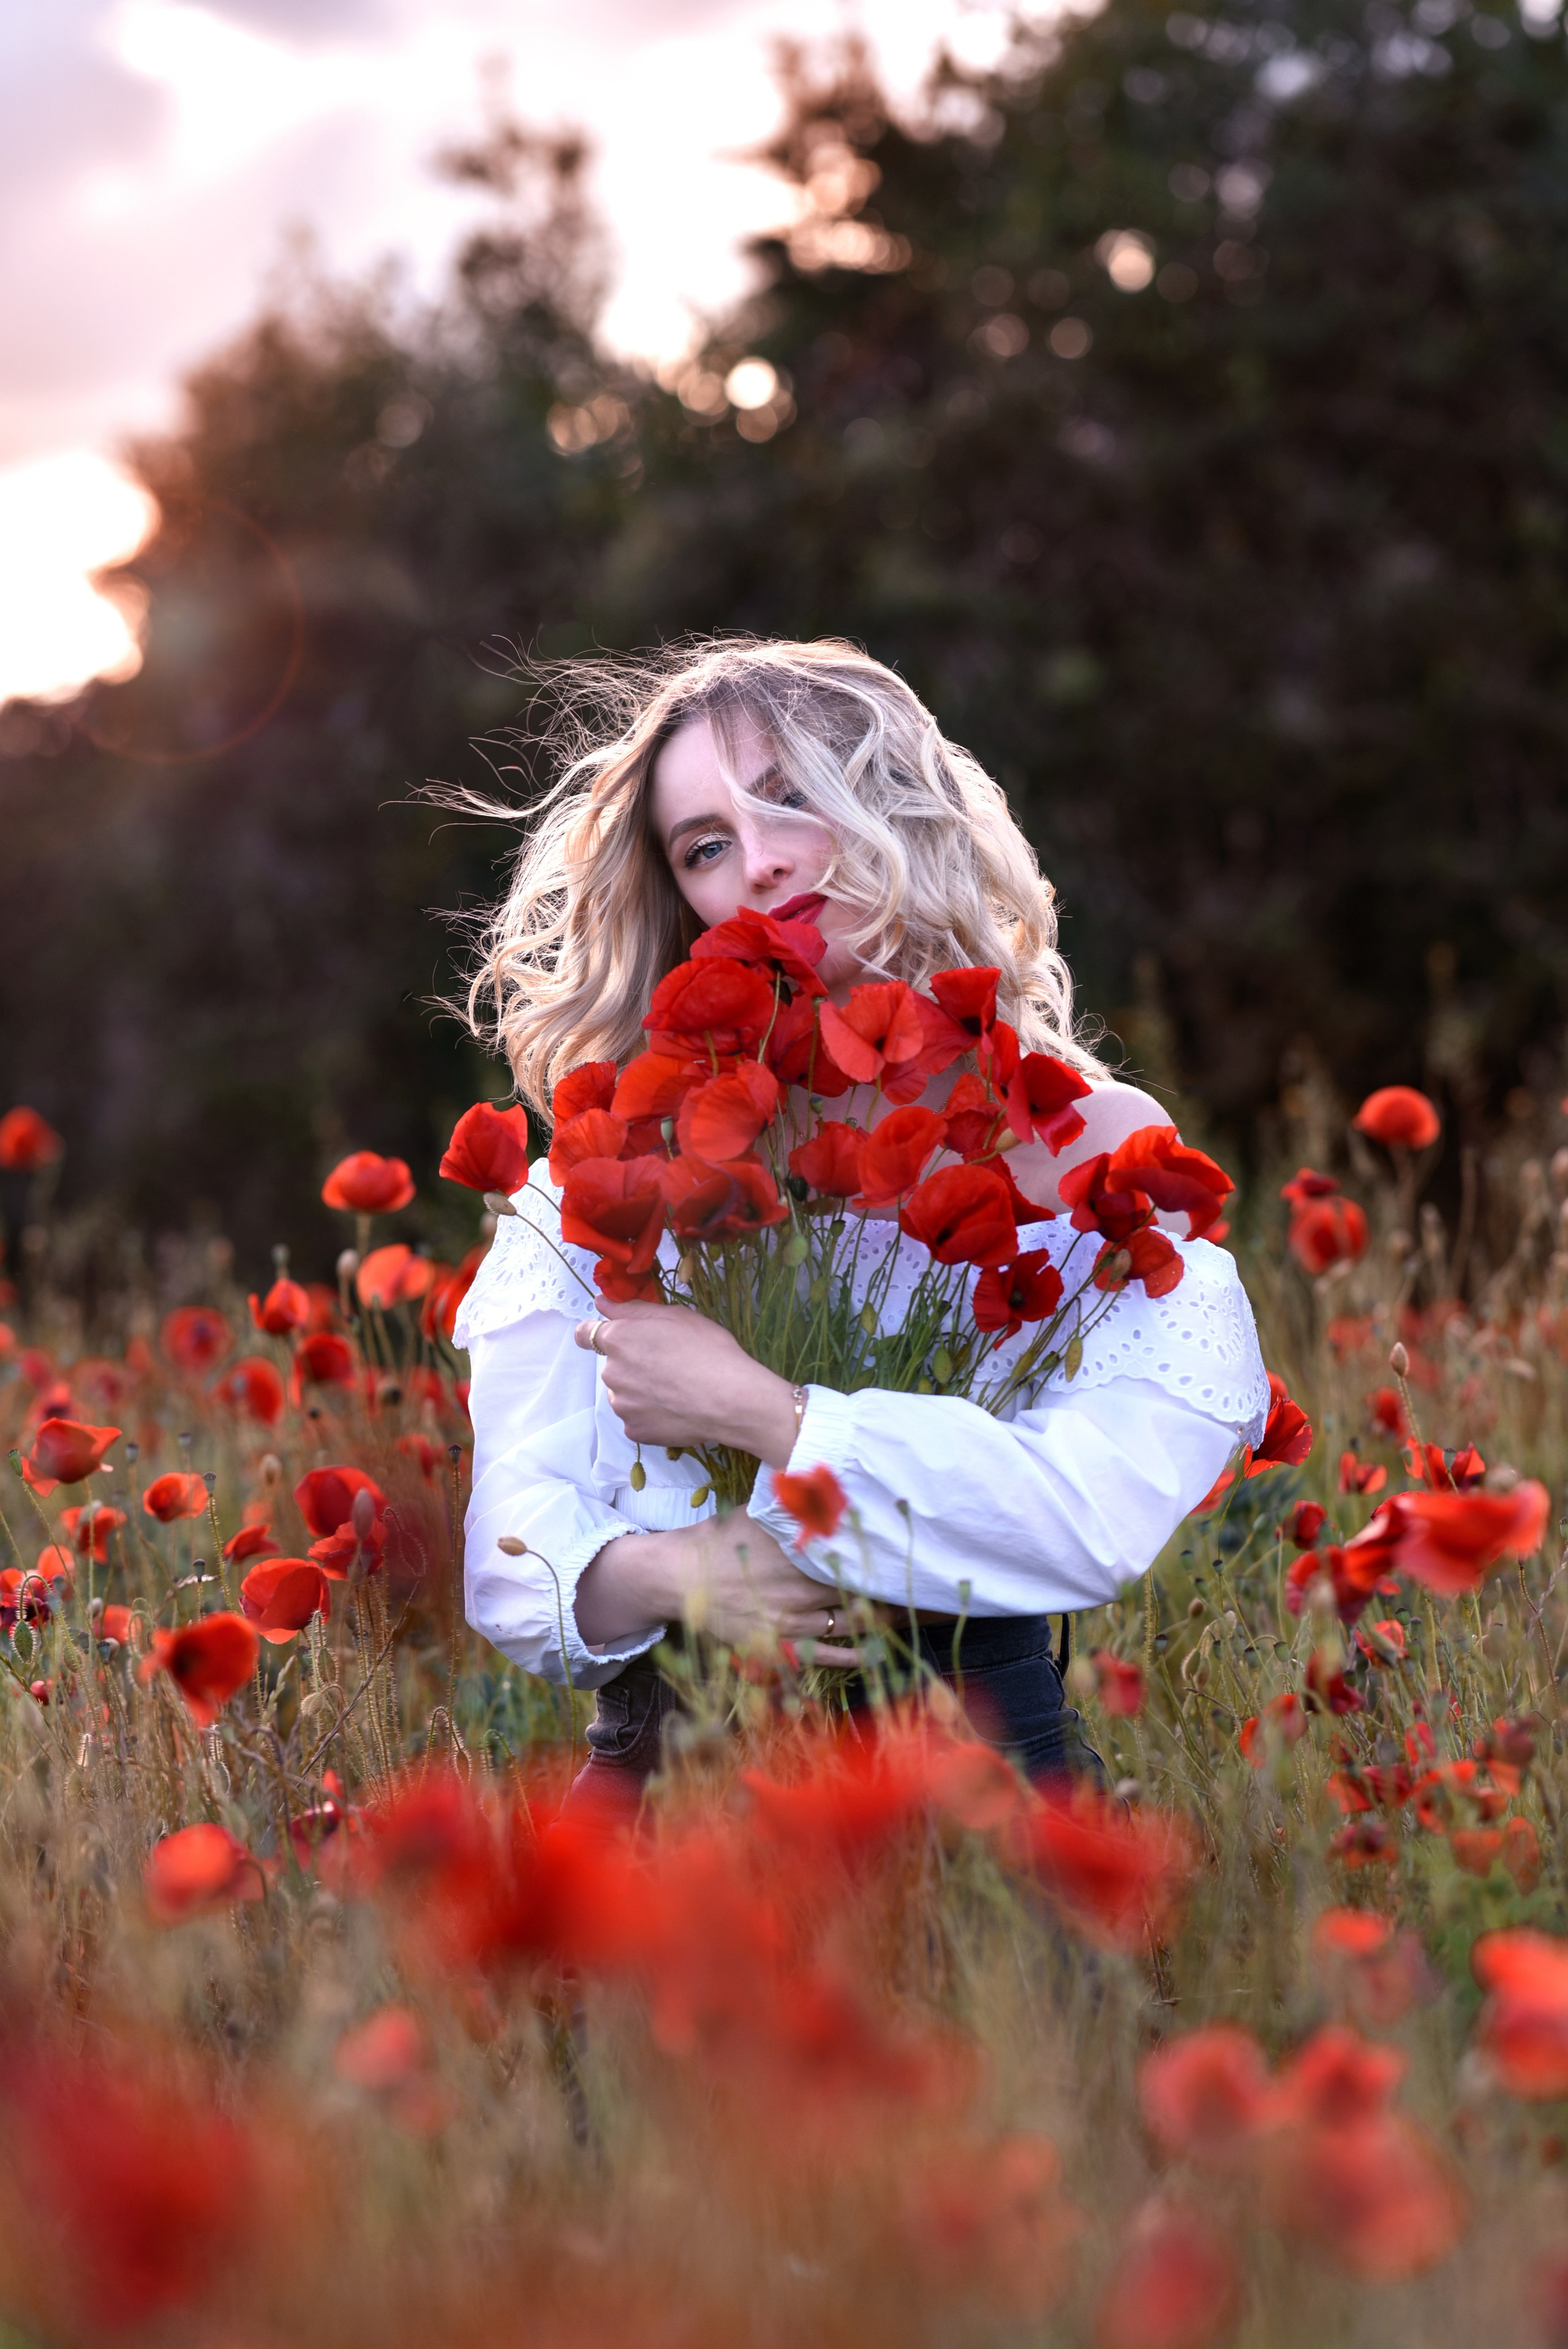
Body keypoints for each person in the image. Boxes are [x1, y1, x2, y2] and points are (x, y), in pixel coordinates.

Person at [453, 638, 1268, 1797]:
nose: (761, 868)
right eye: (707, 847)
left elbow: (1092, 1517)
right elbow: (506, 1560)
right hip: (672, 1816)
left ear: (899, 803)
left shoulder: (1091, 1151)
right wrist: (681, 1572)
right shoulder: (616, 1168)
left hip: (978, 1801)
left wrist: (772, 1417)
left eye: (791, 798)